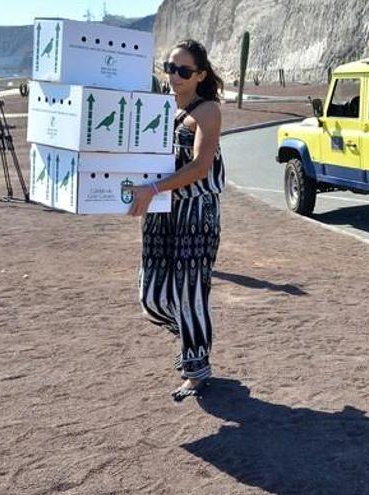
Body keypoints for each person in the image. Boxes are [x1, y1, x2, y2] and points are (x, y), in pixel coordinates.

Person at [128, 39, 225, 400]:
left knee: (188, 292)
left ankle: (196, 369)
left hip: (195, 211)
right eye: (170, 68)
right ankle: (191, 333)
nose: (174, 75)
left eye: (183, 70)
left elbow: (200, 167)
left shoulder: (208, 111)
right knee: (151, 295)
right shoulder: (160, 108)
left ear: (200, 75)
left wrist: (152, 189)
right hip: (160, 208)